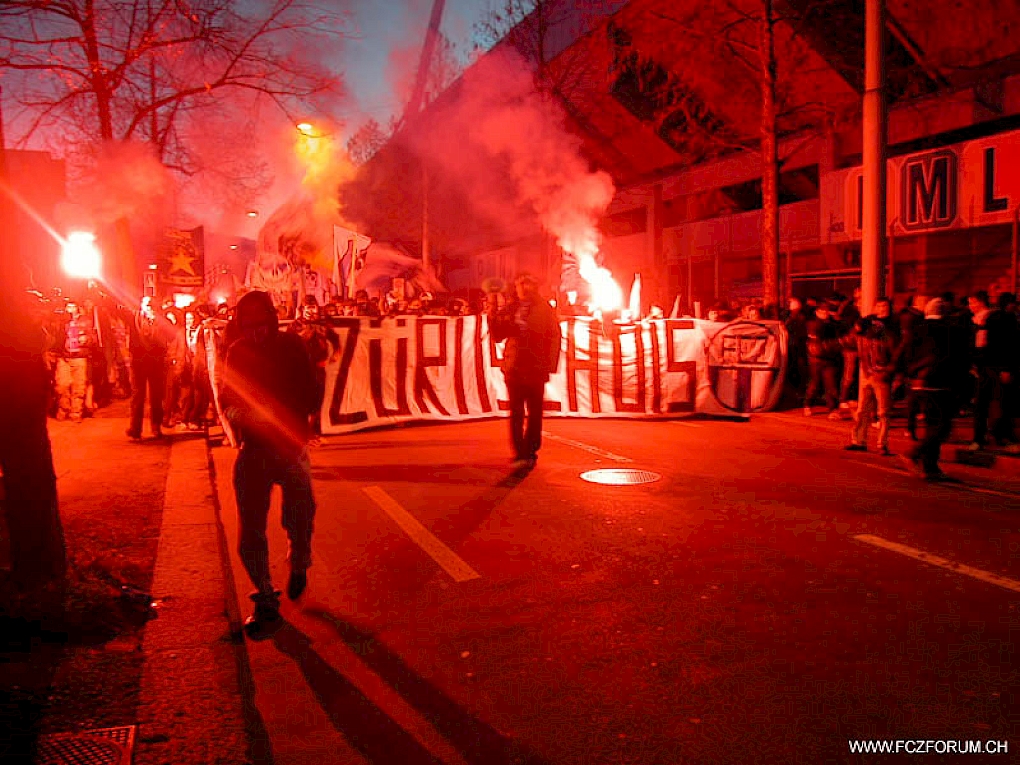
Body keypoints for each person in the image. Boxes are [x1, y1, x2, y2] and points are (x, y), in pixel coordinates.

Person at [219, 290, 318, 639]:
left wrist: (292, 421)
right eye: (248, 325)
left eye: (261, 324)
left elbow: (311, 389)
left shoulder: (291, 346)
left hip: (290, 446)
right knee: (251, 530)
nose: (256, 331)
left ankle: (300, 560)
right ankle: (264, 595)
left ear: (272, 320)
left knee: (301, 512)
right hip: (255, 450)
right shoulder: (236, 352)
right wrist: (242, 419)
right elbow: (226, 397)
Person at [488, 274, 561, 470]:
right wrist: (493, 311)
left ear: (533, 287)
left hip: (536, 368)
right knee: (517, 412)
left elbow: (554, 336)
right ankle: (519, 451)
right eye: (520, 285)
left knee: (535, 412)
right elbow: (498, 335)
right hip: (515, 367)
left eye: (526, 284)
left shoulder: (545, 309)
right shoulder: (511, 307)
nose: (523, 288)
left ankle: (531, 449)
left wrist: (549, 365)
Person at [900, 298, 969, 480]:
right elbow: (958, 357)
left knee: (931, 424)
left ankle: (930, 467)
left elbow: (904, 351)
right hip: (941, 381)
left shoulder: (917, 329)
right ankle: (916, 453)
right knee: (942, 426)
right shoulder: (951, 330)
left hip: (919, 382)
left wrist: (909, 372)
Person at [845, 298, 897, 455]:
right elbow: (853, 338)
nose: (883, 309)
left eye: (885, 306)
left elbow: (896, 352)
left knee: (883, 411)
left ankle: (882, 443)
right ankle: (859, 440)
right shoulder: (866, 325)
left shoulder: (891, 328)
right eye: (880, 306)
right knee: (862, 410)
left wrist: (889, 370)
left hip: (881, 374)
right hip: (867, 371)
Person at [287, 296, 339, 444]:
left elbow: (335, 341)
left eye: (313, 307)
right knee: (302, 402)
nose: (311, 310)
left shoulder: (323, 325)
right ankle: (303, 434)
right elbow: (287, 345)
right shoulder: (295, 326)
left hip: (318, 368)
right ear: (302, 310)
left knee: (317, 402)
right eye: (308, 308)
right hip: (300, 369)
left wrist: (334, 356)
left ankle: (311, 432)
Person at [127, 297, 171, 440]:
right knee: (137, 395)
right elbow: (114, 309)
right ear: (141, 306)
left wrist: (161, 322)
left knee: (156, 396)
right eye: (146, 305)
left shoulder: (161, 321)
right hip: (138, 362)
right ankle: (135, 428)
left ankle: (156, 426)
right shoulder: (134, 317)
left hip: (155, 362)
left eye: (151, 305)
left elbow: (171, 334)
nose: (149, 308)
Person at [52, 299, 95, 422]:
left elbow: (93, 338)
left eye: (72, 306)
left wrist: (86, 339)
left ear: (77, 308)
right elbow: (56, 337)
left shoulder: (86, 321)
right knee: (62, 385)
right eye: (68, 306)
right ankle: (64, 409)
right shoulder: (61, 321)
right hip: (64, 357)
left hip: (80, 357)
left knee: (79, 386)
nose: (69, 309)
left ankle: (76, 412)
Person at [803, 300, 842, 418]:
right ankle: (807, 404)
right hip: (816, 358)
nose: (825, 313)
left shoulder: (832, 323)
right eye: (823, 311)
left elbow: (838, 336)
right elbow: (818, 334)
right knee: (815, 383)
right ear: (817, 311)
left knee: (831, 384)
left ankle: (833, 409)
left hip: (829, 358)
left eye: (826, 311)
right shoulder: (813, 323)